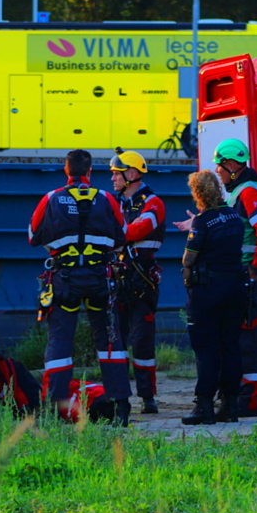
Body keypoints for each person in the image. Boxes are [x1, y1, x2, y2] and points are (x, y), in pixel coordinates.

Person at [28, 149, 133, 426]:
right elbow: (122, 236)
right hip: (100, 279)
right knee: (110, 341)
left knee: (60, 342)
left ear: (66, 171)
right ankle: (121, 407)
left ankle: (55, 407)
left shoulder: (51, 199)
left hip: (64, 281)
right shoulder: (107, 198)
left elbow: (32, 236)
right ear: (89, 173)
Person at [177, 138, 257, 416]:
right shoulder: (237, 193)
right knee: (235, 341)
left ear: (233, 165)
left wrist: (256, 268)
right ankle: (236, 400)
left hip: (249, 276)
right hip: (239, 278)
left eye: (220, 166)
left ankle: (250, 399)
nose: (218, 171)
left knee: (248, 340)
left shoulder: (248, 193)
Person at [180, 169, 246, 425]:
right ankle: (230, 405)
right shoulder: (234, 215)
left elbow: (189, 258)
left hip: (207, 291)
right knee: (230, 346)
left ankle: (204, 406)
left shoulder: (202, 221)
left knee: (206, 349)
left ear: (197, 193)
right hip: (235, 287)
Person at [110, 147, 165, 414]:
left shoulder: (153, 202)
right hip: (118, 281)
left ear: (131, 174)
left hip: (142, 282)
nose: (112, 179)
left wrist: (113, 233)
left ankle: (147, 397)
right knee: (116, 340)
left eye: (116, 174)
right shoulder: (114, 201)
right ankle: (120, 396)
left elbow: (139, 228)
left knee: (142, 341)